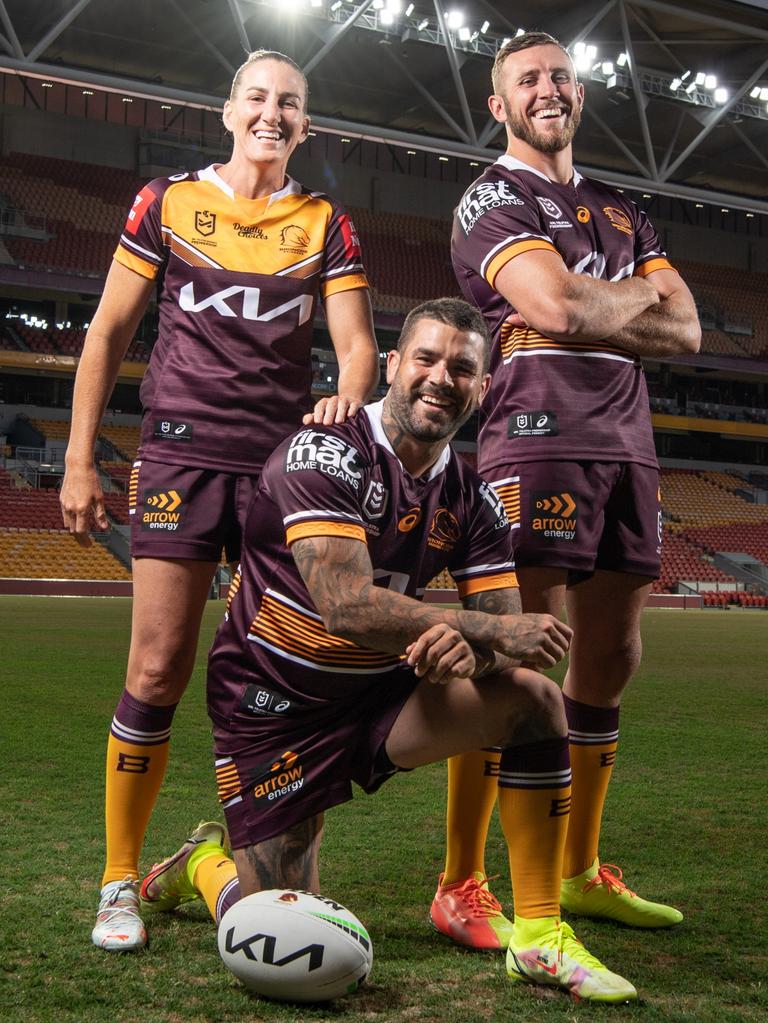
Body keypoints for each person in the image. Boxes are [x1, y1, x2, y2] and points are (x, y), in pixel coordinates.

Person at [138, 299, 638, 1003]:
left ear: (483, 388)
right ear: (394, 367)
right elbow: (345, 604)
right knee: (281, 938)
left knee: (532, 701)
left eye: (463, 368)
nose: (442, 378)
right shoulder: (325, 449)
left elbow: (509, 643)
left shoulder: (474, 497)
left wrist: (466, 653)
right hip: (275, 706)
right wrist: (483, 633)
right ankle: (204, 868)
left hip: (382, 694)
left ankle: (539, 936)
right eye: (427, 360)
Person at [60, 50, 380, 952]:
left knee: (294, 673)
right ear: (228, 111)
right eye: (258, 98)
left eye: (291, 103)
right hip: (178, 459)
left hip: (281, 471)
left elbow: (357, 349)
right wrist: (81, 458)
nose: (272, 113)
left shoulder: (326, 222)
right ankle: (118, 880)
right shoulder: (165, 202)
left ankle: (281, 865)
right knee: (159, 667)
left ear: (305, 125)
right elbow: (109, 332)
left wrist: (346, 394)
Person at [433, 31, 701, 949]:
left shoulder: (625, 210)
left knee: (612, 657)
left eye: (560, 75)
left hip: (628, 446)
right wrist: (623, 304)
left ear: (579, 94)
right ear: (499, 107)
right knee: (518, 660)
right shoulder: (491, 196)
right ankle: (463, 881)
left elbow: (691, 329)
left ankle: (580, 871)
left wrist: (595, 302)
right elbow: (556, 309)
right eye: (526, 80)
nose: (548, 88)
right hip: (537, 440)